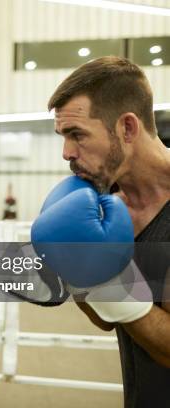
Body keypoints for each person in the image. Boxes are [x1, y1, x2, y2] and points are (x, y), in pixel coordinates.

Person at [41, 56, 170, 407]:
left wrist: (109, 282)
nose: (66, 153)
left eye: (77, 135)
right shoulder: (105, 202)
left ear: (127, 128)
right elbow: (104, 319)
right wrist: (76, 269)